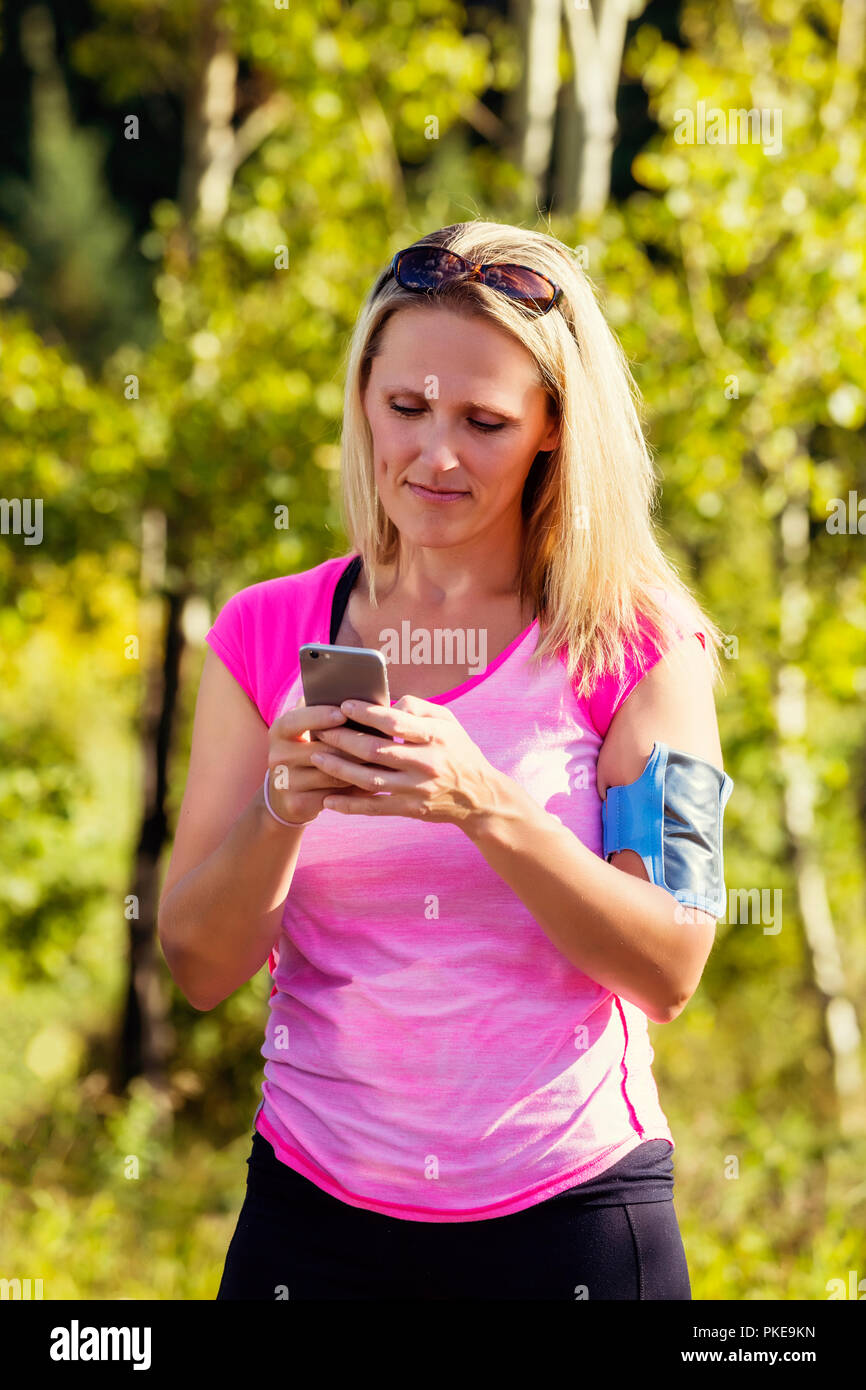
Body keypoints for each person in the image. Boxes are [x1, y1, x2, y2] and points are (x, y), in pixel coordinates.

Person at [157, 221, 733, 1301]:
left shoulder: (638, 644)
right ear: (363, 396)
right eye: (405, 409)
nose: (434, 455)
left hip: (569, 1224)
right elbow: (195, 964)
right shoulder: (264, 631)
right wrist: (279, 807)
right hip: (312, 1222)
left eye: (484, 421)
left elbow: (669, 965)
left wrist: (485, 804)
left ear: (554, 429)